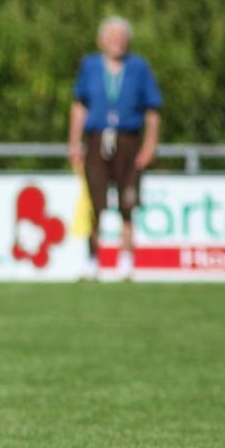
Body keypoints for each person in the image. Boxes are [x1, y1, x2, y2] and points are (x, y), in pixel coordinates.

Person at [67, 16, 162, 280]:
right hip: (97, 138)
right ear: (101, 41)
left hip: (128, 139)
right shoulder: (90, 66)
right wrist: (74, 142)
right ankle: (92, 259)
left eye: (121, 37)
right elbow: (79, 106)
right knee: (93, 201)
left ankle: (126, 261)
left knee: (127, 202)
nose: (117, 42)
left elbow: (153, 110)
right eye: (111, 37)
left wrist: (150, 145)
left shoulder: (139, 67)